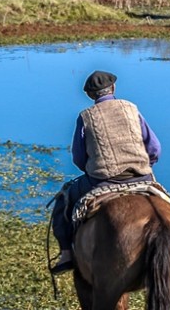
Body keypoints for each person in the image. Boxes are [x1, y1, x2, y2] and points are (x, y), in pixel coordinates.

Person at [49, 70, 162, 274]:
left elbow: (78, 158)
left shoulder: (85, 117)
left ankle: (66, 254)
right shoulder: (131, 109)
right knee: (168, 204)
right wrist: (147, 165)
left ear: (91, 95)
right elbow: (154, 148)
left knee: (62, 202)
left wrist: (95, 169)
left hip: (102, 181)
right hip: (141, 175)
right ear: (114, 88)